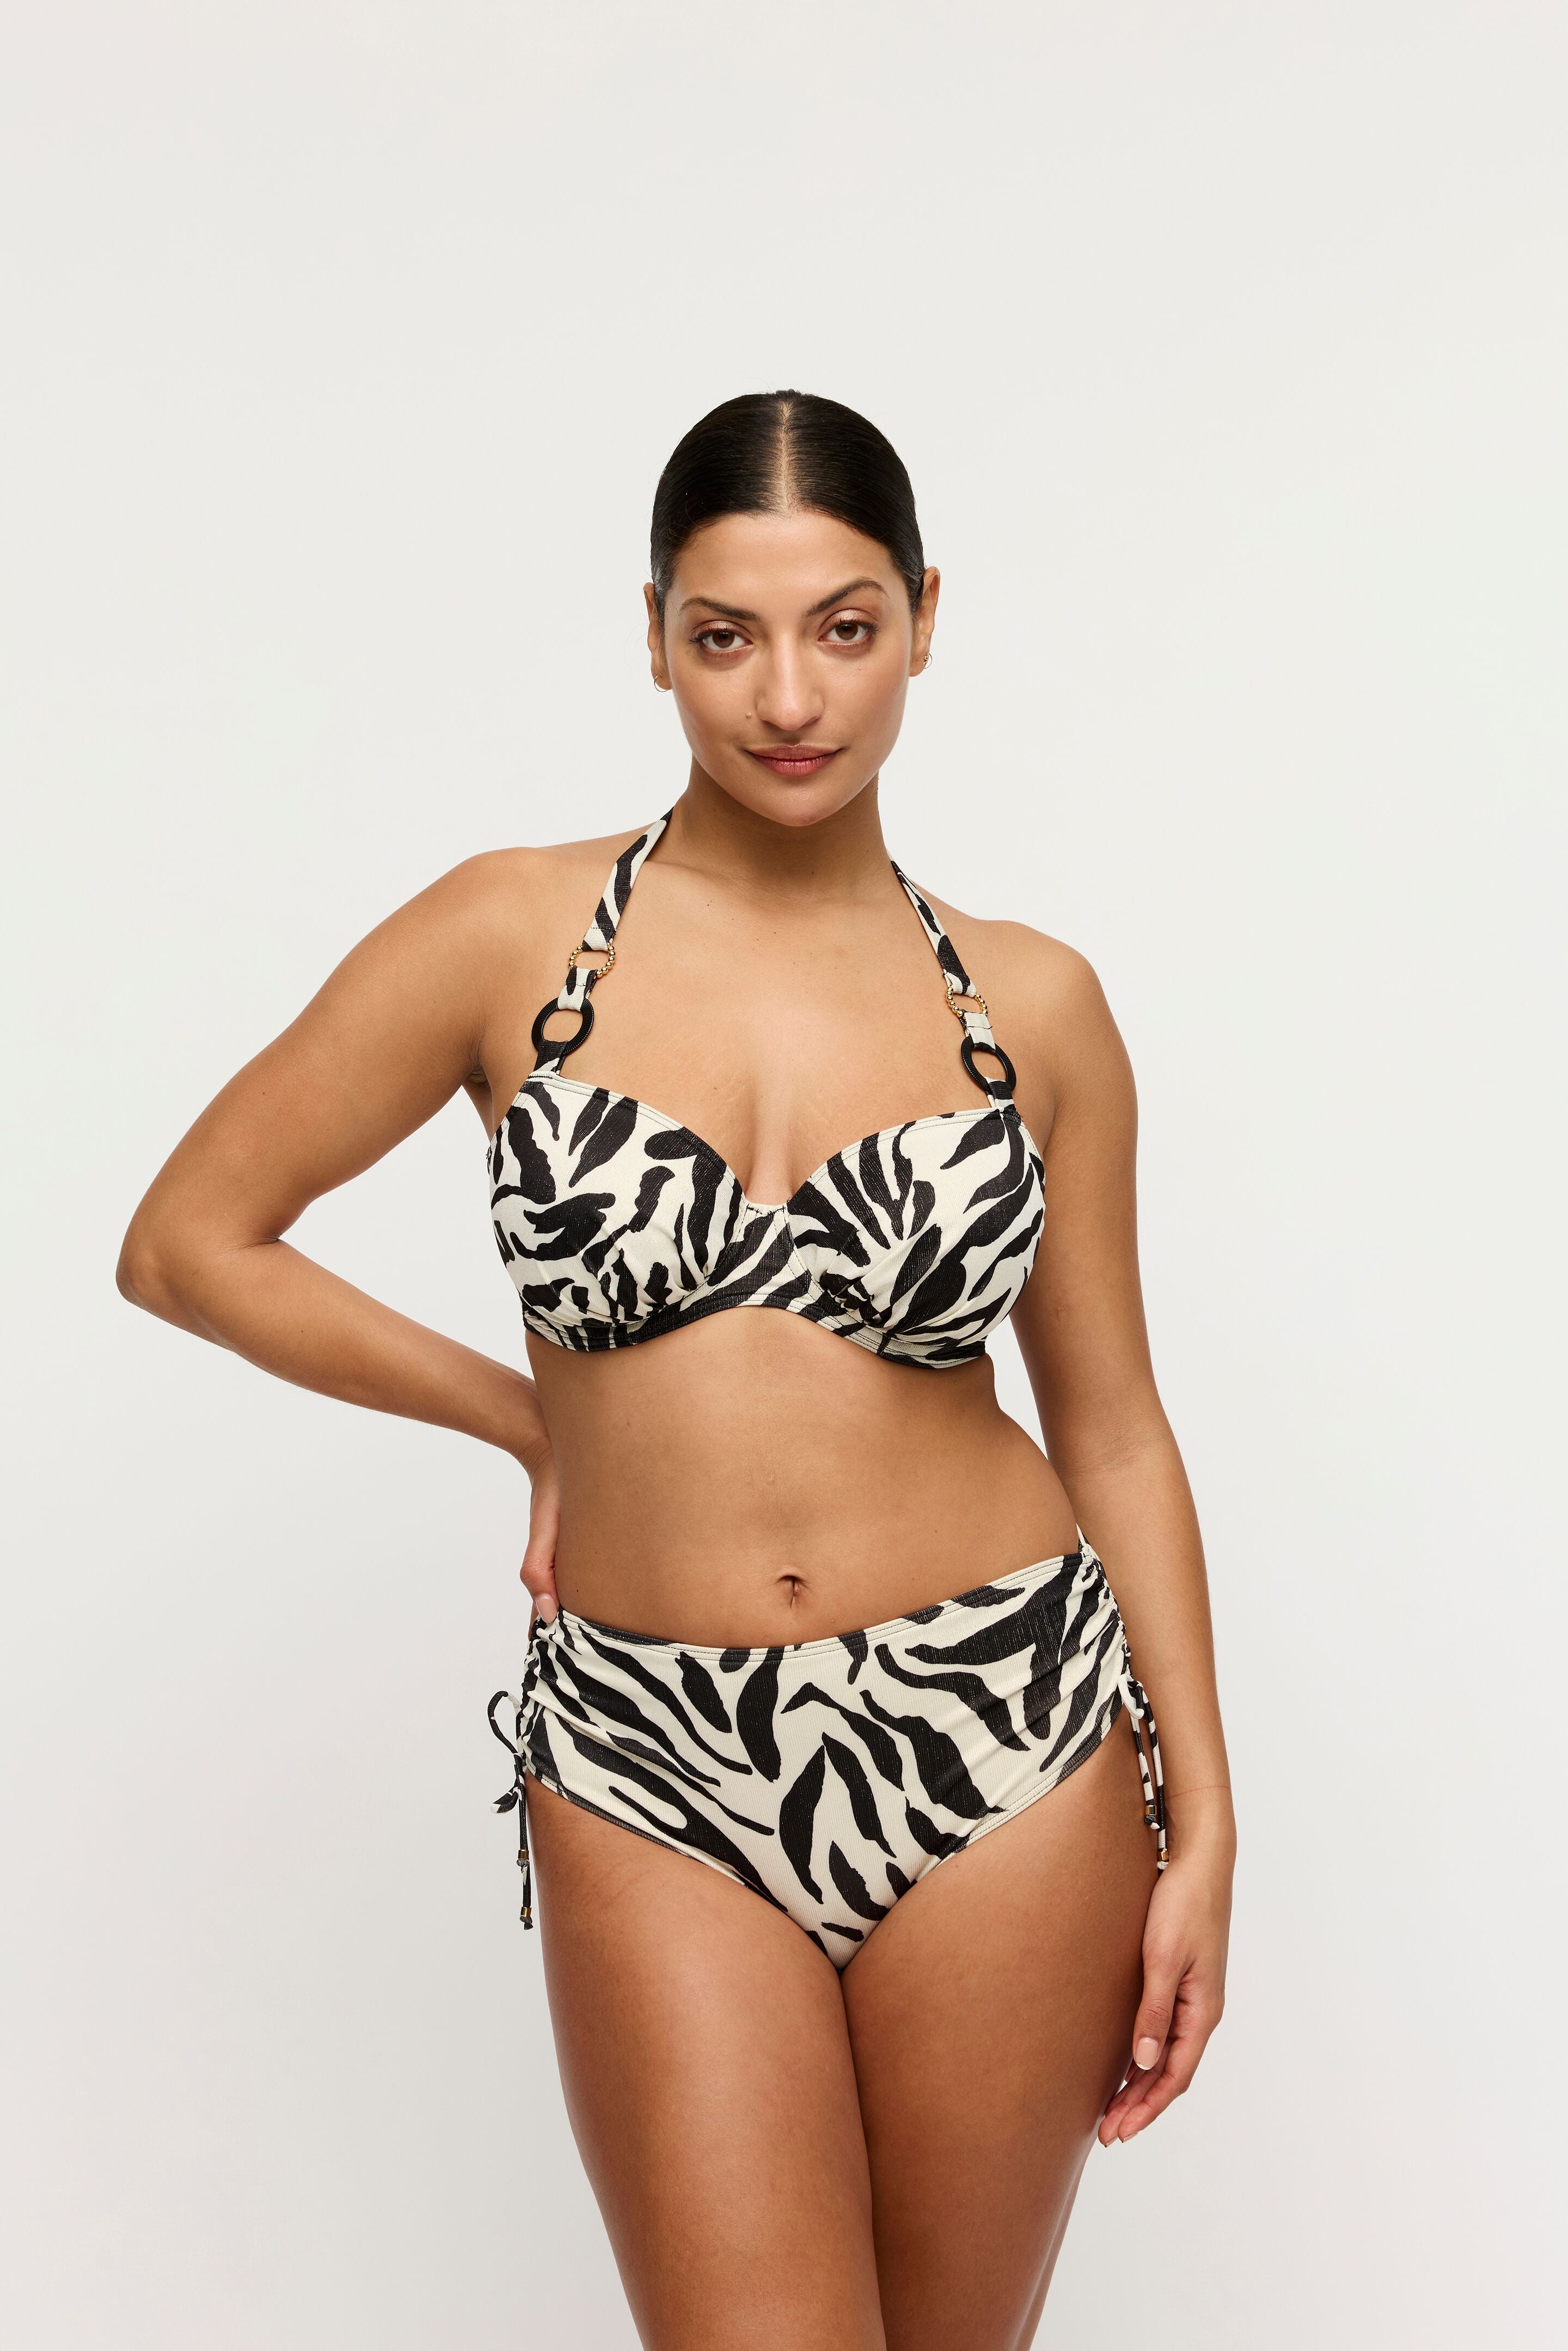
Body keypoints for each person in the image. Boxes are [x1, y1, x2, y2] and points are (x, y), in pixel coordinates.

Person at [118, 390, 1234, 2350]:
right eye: (726, 636)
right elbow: (189, 1243)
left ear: (925, 618)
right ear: (653, 639)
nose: (788, 697)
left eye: (845, 628)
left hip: (1007, 1735)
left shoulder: (1036, 1004)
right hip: (644, 1752)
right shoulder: (508, 936)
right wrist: (521, 1418)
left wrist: (1206, 1817)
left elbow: (1117, 1433)